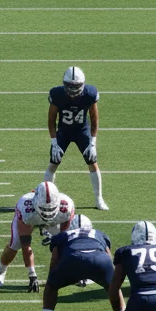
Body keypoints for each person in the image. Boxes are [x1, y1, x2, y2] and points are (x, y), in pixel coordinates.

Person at [0, 181, 75, 292]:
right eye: (44, 209)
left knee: (68, 244)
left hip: (55, 221)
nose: (47, 212)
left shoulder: (66, 208)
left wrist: (57, 240)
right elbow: (26, 247)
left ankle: (73, 272)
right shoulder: (26, 210)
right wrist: (32, 275)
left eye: (50, 209)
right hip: (32, 218)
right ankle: (0, 271)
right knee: (15, 243)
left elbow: (63, 242)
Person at [36, 215, 113, 311]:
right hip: (100, 261)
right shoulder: (99, 234)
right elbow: (108, 256)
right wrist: (110, 280)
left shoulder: (62, 236)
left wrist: (52, 279)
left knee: (51, 287)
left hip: (73, 259)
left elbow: (55, 260)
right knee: (114, 289)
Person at [44, 66, 108, 211]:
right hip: (64, 132)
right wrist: (54, 142)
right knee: (53, 163)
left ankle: (99, 198)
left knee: (92, 161)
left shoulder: (89, 94)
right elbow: (51, 119)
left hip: (81, 131)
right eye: (70, 87)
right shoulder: (57, 94)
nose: (73, 90)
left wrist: (93, 142)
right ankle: (47, 199)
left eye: (76, 86)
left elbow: (94, 118)